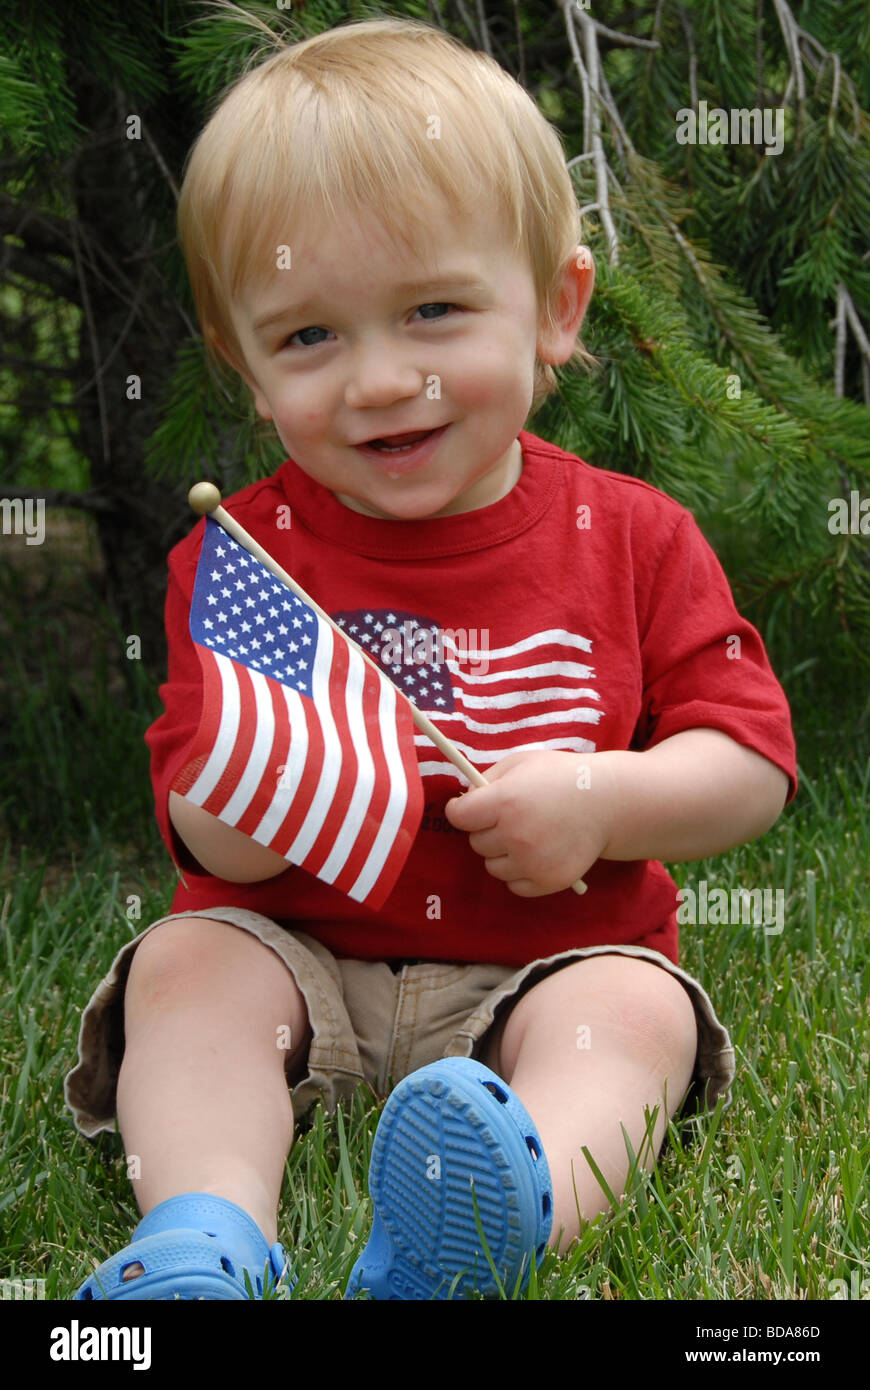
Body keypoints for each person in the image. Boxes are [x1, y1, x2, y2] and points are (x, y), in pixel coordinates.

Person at [65, 14, 797, 1301]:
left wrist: (602, 799)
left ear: (556, 308)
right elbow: (202, 818)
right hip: (303, 961)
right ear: (241, 361)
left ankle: (505, 1214)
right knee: (186, 968)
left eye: (434, 311)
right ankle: (202, 1233)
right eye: (310, 338)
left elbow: (749, 764)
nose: (382, 380)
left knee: (639, 1013)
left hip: (544, 970)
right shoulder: (243, 554)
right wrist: (279, 780)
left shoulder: (629, 534)